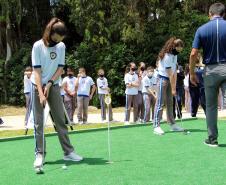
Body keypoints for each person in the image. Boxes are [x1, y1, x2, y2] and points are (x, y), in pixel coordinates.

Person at [31, 18, 83, 172]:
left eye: (61, 39)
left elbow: (60, 68)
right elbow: (37, 72)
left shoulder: (61, 46)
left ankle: (68, 152)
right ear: (51, 33)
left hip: (53, 86)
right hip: (37, 86)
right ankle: (40, 154)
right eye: (57, 38)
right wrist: (41, 92)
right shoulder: (38, 46)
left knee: (60, 120)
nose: (59, 41)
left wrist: (50, 84)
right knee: (39, 123)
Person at [189, 2, 226, 147]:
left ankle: (212, 139)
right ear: (223, 14)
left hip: (210, 71)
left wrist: (192, 73)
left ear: (209, 14)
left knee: (210, 106)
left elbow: (193, 53)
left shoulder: (201, 29)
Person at [153, 37, 185, 135]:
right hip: (162, 79)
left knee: (170, 102)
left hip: (169, 79)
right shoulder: (166, 56)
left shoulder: (174, 55)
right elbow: (170, 73)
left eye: (181, 48)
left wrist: (174, 87)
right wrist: (173, 88)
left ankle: (172, 124)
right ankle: (156, 126)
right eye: (179, 48)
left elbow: (175, 72)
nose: (180, 50)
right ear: (174, 46)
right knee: (160, 102)